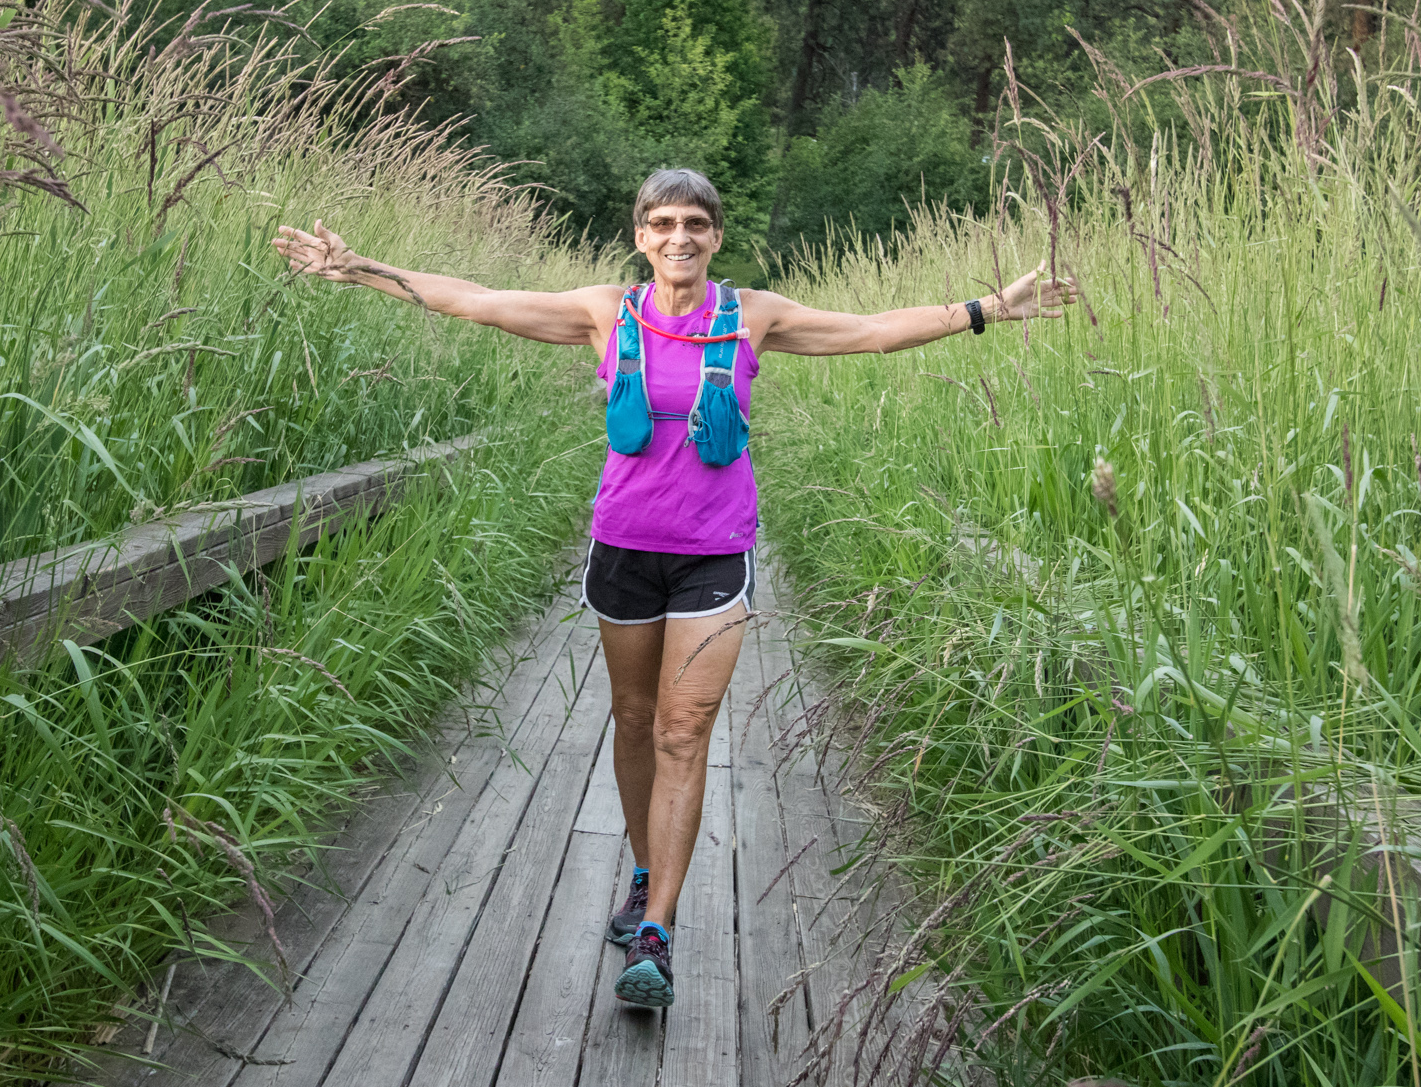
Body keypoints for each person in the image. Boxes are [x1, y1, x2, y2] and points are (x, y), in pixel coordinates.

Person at [272, 167, 1077, 1009]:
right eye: (663, 222)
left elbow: (871, 329)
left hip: (712, 552)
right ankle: (645, 863)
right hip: (623, 547)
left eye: (695, 222)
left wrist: (987, 308)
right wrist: (359, 267)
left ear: (716, 236)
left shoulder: (751, 317)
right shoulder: (604, 313)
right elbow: (477, 298)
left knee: (683, 730)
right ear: (641, 235)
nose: (679, 236)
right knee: (634, 718)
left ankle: (656, 927)